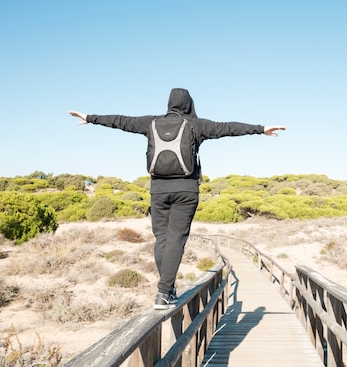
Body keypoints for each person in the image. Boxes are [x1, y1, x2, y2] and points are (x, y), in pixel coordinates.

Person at [69, 88, 285, 309]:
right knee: (176, 239)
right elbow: (229, 128)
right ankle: (164, 292)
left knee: (162, 239)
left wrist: (90, 118)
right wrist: (260, 129)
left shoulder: (151, 123)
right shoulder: (197, 125)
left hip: (158, 190)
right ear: (189, 104)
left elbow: (121, 121)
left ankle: (166, 289)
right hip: (187, 189)